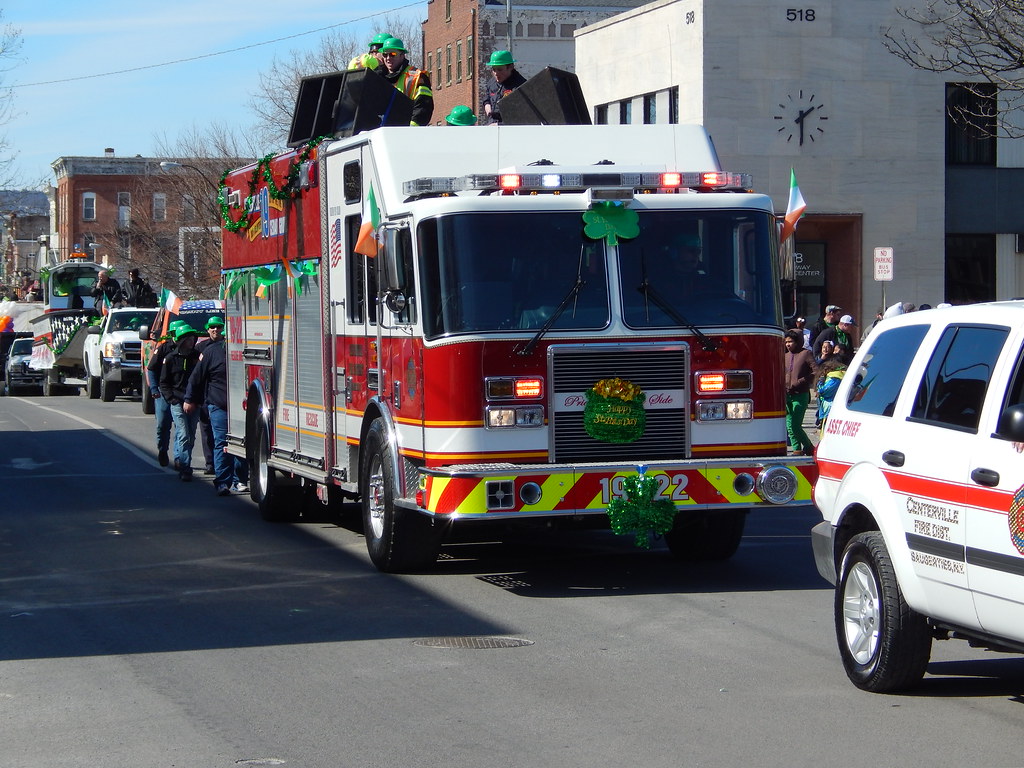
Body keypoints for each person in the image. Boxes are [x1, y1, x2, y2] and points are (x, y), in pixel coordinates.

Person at [184, 316, 249, 496]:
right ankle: (222, 482)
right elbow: (196, 378)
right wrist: (189, 399)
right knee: (221, 443)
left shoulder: (245, 351)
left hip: (242, 408)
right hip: (218, 406)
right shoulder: (211, 352)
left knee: (242, 443)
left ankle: (240, 479)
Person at [160, 323, 201, 481]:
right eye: (188, 338)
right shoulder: (170, 359)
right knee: (183, 434)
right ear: (181, 340)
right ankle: (185, 467)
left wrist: (198, 399)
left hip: (194, 402)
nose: (191, 341)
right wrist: (172, 399)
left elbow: (202, 379)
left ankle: (184, 459)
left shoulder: (198, 357)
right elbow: (164, 382)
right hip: (177, 402)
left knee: (190, 435)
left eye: (192, 338)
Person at [146, 319, 187, 467]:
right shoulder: (163, 349)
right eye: (175, 334)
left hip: (178, 393)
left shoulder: (188, 349)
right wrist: (154, 389)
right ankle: (162, 450)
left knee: (180, 426)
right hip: (163, 393)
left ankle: (178, 458)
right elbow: (151, 369)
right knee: (163, 424)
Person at [378, 37, 434, 126]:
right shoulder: (377, 77)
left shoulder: (418, 77)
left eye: (392, 54)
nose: (388, 58)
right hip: (382, 132)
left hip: (405, 132)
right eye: (385, 55)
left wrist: (411, 130)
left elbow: (424, 107)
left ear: (402, 55)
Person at [784, 330, 816, 455]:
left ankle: (809, 447)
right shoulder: (785, 356)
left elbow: (815, 371)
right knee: (789, 425)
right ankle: (797, 449)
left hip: (801, 394)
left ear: (798, 341)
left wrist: (801, 381)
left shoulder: (806, 353)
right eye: (786, 342)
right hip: (787, 395)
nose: (788, 344)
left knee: (795, 425)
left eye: (790, 341)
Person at [482, 50, 527, 124]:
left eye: (500, 69)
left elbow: (521, 115)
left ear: (510, 67)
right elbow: (487, 97)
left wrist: (499, 125)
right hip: (492, 123)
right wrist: (487, 104)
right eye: (494, 69)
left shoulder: (520, 86)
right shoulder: (492, 83)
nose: (496, 73)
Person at [815, 359, 847, 426]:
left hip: (830, 407)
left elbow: (825, 391)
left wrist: (820, 385)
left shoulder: (834, 378)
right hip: (831, 406)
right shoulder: (838, 376)